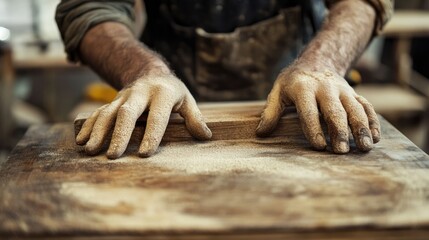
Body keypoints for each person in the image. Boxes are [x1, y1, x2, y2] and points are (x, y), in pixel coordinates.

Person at [56, 0, 394, 159]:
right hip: (167, 112)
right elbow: (88, 8)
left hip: (307, 102)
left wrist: (324, 62)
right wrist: (145, 71)